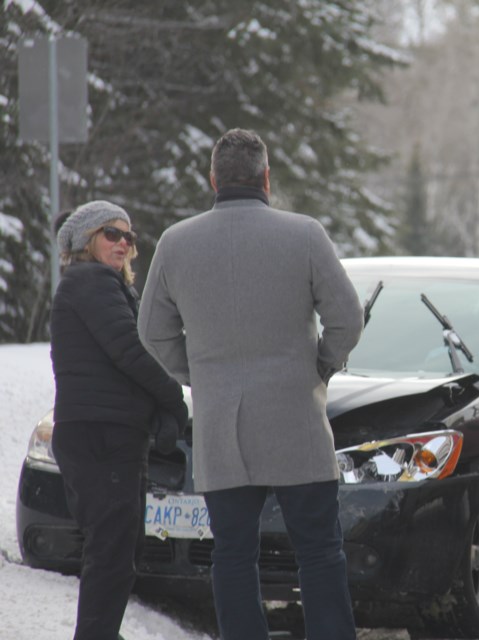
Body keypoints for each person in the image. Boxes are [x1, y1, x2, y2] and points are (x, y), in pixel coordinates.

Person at [137, 128, 364, 639]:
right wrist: (321, 366)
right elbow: (347, 317)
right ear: (266, 177)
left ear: (213, 179)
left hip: (223, 432)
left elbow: (152, 332)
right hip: (297, 423)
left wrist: (198, 375)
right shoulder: (304, 234)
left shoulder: (176, 244)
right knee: (320, 553)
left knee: (233, 556)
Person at [50, 200, 188, 640]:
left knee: (115, 553)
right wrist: (174, 401)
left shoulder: (97, 285)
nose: (124, 244)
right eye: (113, 234)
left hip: (105, 436)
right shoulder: (92, 282)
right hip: (102, 438)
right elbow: (132, 351)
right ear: (87, 240)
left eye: (130, 237)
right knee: (111, 556)